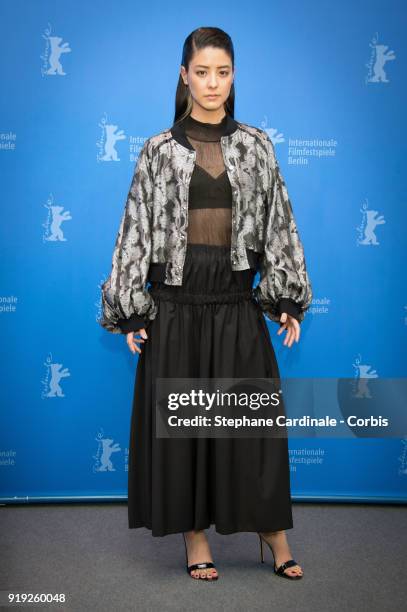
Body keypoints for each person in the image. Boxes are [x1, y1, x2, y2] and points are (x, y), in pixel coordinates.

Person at [99, 27, 312, 581]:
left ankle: (273, 531)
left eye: (222, 72)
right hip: (176, 307)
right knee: (186, 431)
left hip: (235, 302)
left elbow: (279, 224)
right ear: (184, 76)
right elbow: (135, 232)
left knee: (253, 429)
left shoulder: (258, 146)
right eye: (201, 72)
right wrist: (130, 310)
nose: (212, 82)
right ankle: (194, 537)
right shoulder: (158, 150)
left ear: (233, 75)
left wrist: (286, 297)